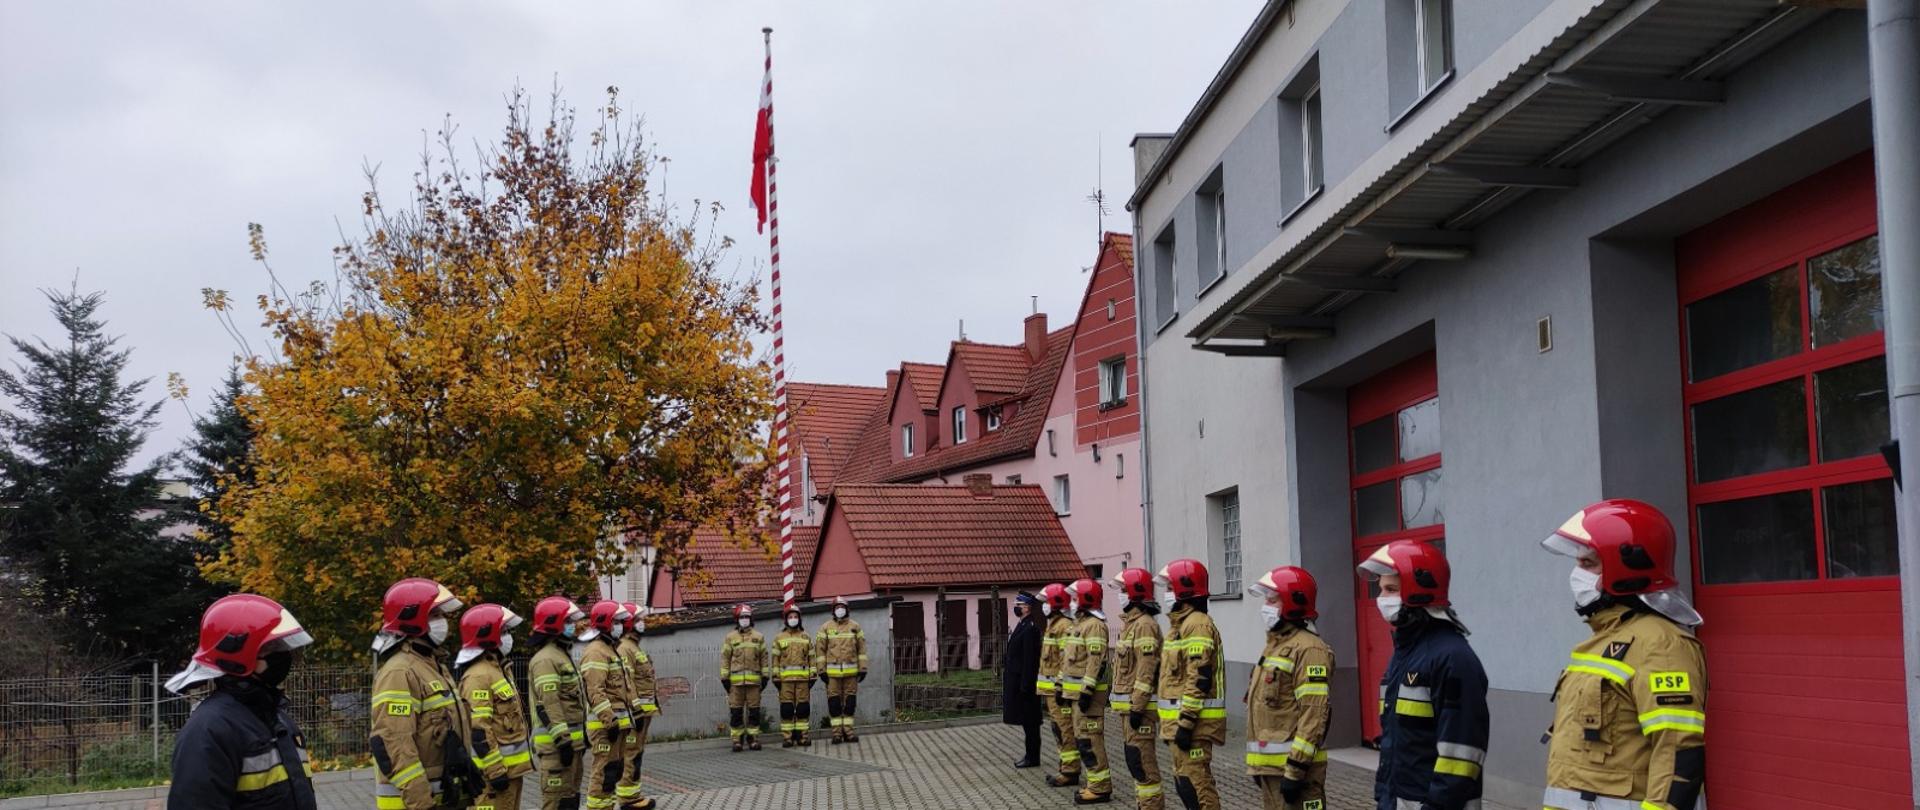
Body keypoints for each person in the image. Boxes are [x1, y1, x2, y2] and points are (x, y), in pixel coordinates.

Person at [1540, 500, 1707, 810]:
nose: (1577, 575)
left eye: (1588, 564)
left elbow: (1677, 754)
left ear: (1626, 568)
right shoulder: (1606, 639)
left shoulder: (1661, 645)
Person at [1358, 540, 1490, 810]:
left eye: (1391, 589)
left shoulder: (1452, 658)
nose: (1381, 598)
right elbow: (1396, 738)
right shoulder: (1405, 653)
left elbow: (1461, 756)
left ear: (1420, 591)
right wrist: (1383, 794)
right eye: (1381, 589)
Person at [164, 594, 318, 810]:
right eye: (271, 650)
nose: (283, 657)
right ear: (237, 657)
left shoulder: (276, 717)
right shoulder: (209, 730)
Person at [370, 578, 482, 810]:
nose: (442, 622)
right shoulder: (400, 671)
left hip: (445, 798)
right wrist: (422, 803)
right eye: (435, 615)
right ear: (412, 618)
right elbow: (394, 744)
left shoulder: (432, 666)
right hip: (418, 804)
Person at [1244, 566, 1334, 810]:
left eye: (1272, 600)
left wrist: (1296, 769)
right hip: (1272, 770)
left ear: (1294, 602)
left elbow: (1314, 714)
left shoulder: (1310, 649)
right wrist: (1258, 764)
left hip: (1295, 773)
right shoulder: (1276, 646)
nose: (1266, 605)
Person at [1156, 559, 1225, 810]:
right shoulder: (1180, 625)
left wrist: (1185, 723)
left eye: (1169, 587)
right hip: (1181, 723)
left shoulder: (1196, 624)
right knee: (1185, 784)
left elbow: (1199, 677)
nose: (1165, 593)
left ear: (1184, 589)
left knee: (1198, 785)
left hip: (1194, 724)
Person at [455, 604, 533, 810]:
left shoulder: (498, 669)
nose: (509, 637)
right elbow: (479, 729)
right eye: (504, 632)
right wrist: (496, 770)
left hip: (511, 772)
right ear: (487, 635)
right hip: (494, 777)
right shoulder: (478, 676)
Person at [527, 596, 589, 810]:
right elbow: (549, 703)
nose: (574, 626)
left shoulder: (560, 655)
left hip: (571, 746)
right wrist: (563, 741)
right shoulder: (546, 659)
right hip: (556, 748)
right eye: (569, 621)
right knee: (556, 803)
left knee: (569, 801)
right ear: (554, 623)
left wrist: (581, 739)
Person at [1109, 569, 1164, 810]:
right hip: (1130, 708)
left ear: (1135, 593)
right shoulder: (1132, 625)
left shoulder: (1144, 626)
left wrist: (1138, 706)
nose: (1120, 596)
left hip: (1140, 709)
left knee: (1142, 762)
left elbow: (1146, 669)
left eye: (1123, 591)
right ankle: (1145, 804)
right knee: (1136, 760)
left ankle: (1151, 806)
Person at [579, 601, 636, 810]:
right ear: (606, 623)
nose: (621, 626)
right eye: (617, 622)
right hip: (605, 727)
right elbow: (595, 691)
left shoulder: (610, 649)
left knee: (613, 772)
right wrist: (610, 721)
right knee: (603, 773)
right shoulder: (596, 651)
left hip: (616, 725)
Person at [1063, 578, 1114, 805]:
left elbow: (1096, 661)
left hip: (1089, 698)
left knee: (1091, 741)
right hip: (1078, 697)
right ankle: (1095, 783)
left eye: (1075, 599)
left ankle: (1100, 787)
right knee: (1084, 741)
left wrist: (1087, 690)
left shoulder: (1094, 625)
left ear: (1085, 599)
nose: (1072, 603)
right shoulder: (1081, 624)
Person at [1038, 582, 1081, 788]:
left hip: (1058, 690)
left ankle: (1070, 770)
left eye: (1046, 601)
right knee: (1058, 729)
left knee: (1064, 729)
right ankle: (1065, 766)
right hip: (1050, 690)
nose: (1043, 605)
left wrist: (1060, 686)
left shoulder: (1063, 626)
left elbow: (1066, 660)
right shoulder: (1053, 625)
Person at [616, 602, 658, 810]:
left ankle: (632, 794)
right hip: (636, 713)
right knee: (631, 753)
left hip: (643, 712)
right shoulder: (625, 648)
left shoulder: (633, 646)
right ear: (629, 623)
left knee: (636, 753)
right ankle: (627, 798)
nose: (643, 623)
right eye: (639, 619)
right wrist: (636, 711)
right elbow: (627, 683)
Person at [1002, 591, 1048, 769]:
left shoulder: (1030, 629)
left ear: (1027, 608)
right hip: (1019, 682)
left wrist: (1026, 685)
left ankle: (1032, 757)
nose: (1016, 608)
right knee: (1027, 722)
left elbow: (1030, 660)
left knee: (1031, 722)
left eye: (1018, 605)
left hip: (1026, 684)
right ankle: (1029, 755)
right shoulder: (1022, 625)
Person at [815, 596, 868, 743]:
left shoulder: (855, 627)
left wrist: (863, 668)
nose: (840, 610)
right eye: (837, 607)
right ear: (833, 610)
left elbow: (861, 649)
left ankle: (849, 733)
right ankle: (837, 734)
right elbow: (819, 651)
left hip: (851, 674)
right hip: (832, 675)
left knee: (850, 704)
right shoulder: (825, 627)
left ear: (847, 609)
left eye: (842, 607)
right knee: (834, 705)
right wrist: (821, 671)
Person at [720, 603, 769, 751]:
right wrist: (724, 678)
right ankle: (737, 740)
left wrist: (765, 676)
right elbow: (725, 659)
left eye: (747, 617)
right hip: (735, 684)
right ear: (737, 619)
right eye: (742, 617)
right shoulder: (730, 638)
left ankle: (753, 739)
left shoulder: (758, 637)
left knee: (754, 712)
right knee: (736, 712)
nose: (745, 619)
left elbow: (764, 658)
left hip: (754, 683)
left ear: (751, 619)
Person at [774, 605, 816, 747]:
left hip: (803, 681)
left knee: (803, 710)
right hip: (785, 682)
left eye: (795, 617)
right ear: (786, 619)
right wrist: (776, 678)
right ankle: (788, 738)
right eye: (790, 617)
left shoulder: (806, 637)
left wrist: (813, 676)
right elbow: (775, 660)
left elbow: (812, 659)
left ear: (800, 618)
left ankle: (802, 737)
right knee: (787, 710)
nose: (793, 619)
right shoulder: (779, 638)